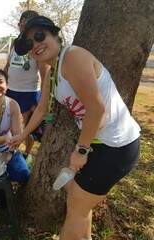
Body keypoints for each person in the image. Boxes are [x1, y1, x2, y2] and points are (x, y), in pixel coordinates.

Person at [10, 16, 141, 240]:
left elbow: (96, 109)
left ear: (54, 35)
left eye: (40, 36)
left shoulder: (73, 57)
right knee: (74, 196)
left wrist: (81, 150)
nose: (36, 45)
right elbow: (41, 109)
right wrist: (22, 134)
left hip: (116, 146)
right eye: (30, 43)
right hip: (100, 143)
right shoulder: (53, 73)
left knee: (75, 213)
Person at [4, 10, 40, 164]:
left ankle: (27, 153)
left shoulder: (38, 44)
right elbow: (8, 64)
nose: (23, 28)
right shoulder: (15, 43)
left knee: (27, 127)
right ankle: (13, 151)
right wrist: (3, 82)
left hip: (29, 92)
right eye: (21, 25)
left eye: (27, 26)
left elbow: (44, 70)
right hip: (11, 90)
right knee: (11, 124)